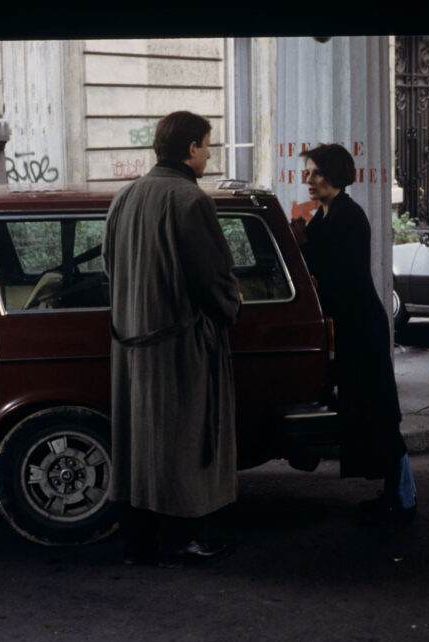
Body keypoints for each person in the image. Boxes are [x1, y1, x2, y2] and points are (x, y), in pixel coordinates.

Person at [103, 111, 243, 567]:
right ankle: (185, 538)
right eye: (207, 145)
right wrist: (230, 307)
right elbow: (214, 279)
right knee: (186, 441)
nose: (208, 153)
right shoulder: (191, 200)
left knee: (138, 443)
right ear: (190, 150)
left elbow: (110, 267)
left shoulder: (125, 197)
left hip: (129, 346)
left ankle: (139, 542)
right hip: (180, 347)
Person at [291, 143, 417, 526]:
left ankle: (405, 495)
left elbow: (334, 273)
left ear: (334, 174)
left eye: (315, 172)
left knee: (379, 410)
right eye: (307, 172)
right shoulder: (326, 214)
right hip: (351, 326)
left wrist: (302, 244)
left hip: (361, 326)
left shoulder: (348, 216)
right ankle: (394, 493)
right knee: (366, 410)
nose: (308, 179)